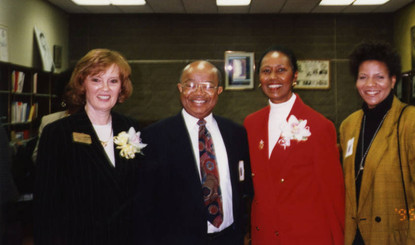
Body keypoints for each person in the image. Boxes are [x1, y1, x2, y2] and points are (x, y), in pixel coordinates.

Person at [135, 60, 253, 245]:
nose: (198, 92)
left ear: (219, 91)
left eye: (207, 86)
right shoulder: (154, 137)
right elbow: (144, 204)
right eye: (190, 85)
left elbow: (245, 189)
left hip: (230, 238)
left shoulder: (236, 133)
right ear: (180, 88)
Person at [33, 49, 141, 245]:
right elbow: (45, 204)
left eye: (113, 81)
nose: (105, 89)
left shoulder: (131, 128)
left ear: (122, 88)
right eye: (96, 80)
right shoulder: (58, 133)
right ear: (83, 84)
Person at [340, 41, 415, 244]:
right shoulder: (348, 125)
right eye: (363, 77)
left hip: (393, 237)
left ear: (393, 80)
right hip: (354, 236)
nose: (370, 84)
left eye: (379, 77)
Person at [244, 46, 345, 245]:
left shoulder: (319, 125)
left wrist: (338, 238)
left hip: (305, 235)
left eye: (281, 70)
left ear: (295, 76)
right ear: (259, 78)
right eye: (266, 71)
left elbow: (333, 194)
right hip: (264, 235)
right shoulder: (251, 124)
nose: (273, 77)